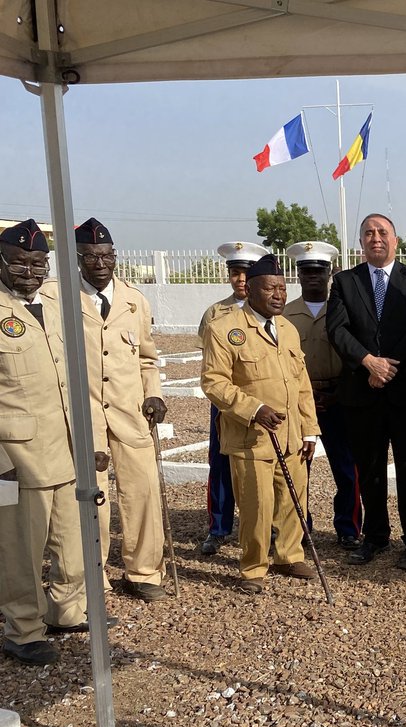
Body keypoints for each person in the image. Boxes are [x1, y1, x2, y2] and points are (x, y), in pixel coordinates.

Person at [41, 217, 168, 601]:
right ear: (77, 258)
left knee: (143, 491)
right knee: (91, 497)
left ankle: (144, 572)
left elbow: (147, 358)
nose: (100, 263)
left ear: (115, 256)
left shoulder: (134, 300)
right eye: (91, 256)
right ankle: (91, 576)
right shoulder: (56, 298)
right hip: (85, 416)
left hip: (131, 414)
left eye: (106, 255)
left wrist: (154, 393)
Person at [0, 220, 106, 665]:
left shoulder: (58, 307)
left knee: (74, 539)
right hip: (20, 455)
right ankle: (22, 629)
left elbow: (77, 383)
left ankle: (66, 610)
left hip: (67, 447)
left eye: (39, 263)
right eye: (20, 263)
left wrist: (91, 439)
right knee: (21, 549)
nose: (30, 271)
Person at [200, 254, 319, 594]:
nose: (279, 295)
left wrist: (309, 429)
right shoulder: (225, 329)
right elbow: (214, 382)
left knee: (293, 498)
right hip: (251, 436)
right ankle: (253, 566)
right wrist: (254, 409)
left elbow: (301, 383)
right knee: (257, 504)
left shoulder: (288, 329)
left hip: (291, 435)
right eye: (270, 288)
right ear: (250, 290)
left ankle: (289, 554)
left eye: (282, 288)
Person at [326, 214, 406, 568]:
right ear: (361, 242)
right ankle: (374, 536)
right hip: (362, 392)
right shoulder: (344, 282)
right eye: (369, 233)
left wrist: (386, 366)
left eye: (382, 232)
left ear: (396, 240)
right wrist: (368, 362)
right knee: (369, 468)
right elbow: (337, 329)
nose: (376, 238)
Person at [283, 240, 363, 549]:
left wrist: (340, 393)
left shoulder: (343, 311)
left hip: (340, 398)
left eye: (319, 271)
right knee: (298, 468)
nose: (313, 277)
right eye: (306, 271)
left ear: (330, 273)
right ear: (298, 275)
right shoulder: (286, 315)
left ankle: (348, 528)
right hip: (302, 402)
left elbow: (355, 356)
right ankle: (300, 527)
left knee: (347, 468)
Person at [198, 241, 269, 556]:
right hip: (226, 404)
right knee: (221, 463)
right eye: (234, 272)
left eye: (246, 273)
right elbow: (211, 365)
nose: (240, 279)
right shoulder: (216, 313)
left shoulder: (270, 307)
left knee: (268, 464)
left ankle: (272, 526)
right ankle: (219, 528)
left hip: (264, 401)